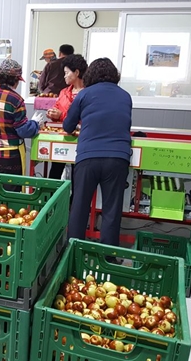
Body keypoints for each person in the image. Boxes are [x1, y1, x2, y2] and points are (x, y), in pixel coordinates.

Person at [63, 58, 132, 248]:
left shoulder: (84, 95)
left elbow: (68, 126)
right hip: (118, 158)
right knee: (112, 209)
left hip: (88, 157)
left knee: (80, 205)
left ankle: (73, 250)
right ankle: (108, 255)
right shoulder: (125, 96)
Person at [0, 59, 42, 190]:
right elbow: (23, 130)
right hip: (9, 157)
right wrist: (35, 124)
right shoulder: (16, 99)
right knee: (10, 196)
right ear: (15, 80)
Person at [46, 54, 88, 180]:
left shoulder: (88, 93)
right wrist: (53, 114)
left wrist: (62, 115)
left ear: (76, 72)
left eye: (66, 72)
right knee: (55, 171)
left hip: (81, 140)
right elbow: (58, 108)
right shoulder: (64, 92)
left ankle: (73, 200)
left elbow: (86, 118)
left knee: (78, 175)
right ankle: (53, 198)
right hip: (63, 139)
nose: (64, 76)